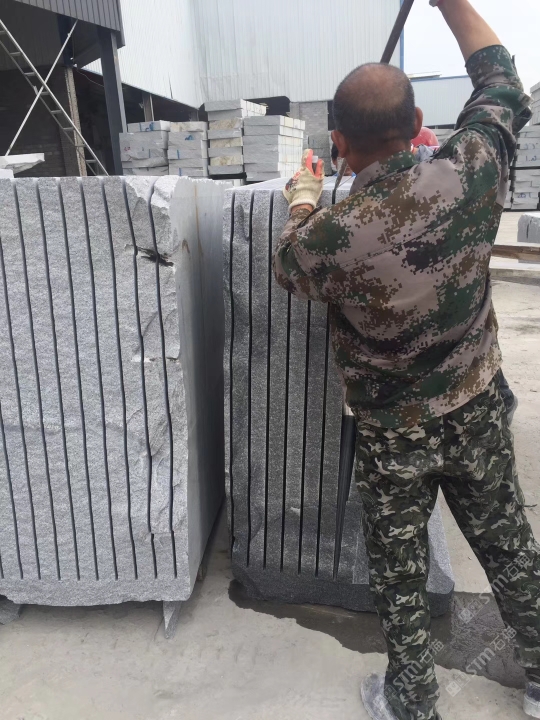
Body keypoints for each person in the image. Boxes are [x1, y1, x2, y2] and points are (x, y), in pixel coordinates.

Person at [273, 1, 540, 719]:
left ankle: (413, 701)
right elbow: (502, 81)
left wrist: (304, 199)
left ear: (338, 144)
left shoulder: (329, 237)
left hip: (393, 434)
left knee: (399, 571)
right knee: (509, 545)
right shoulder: (470, 172)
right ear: (419, 123)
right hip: (475, 407)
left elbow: (288, 264)